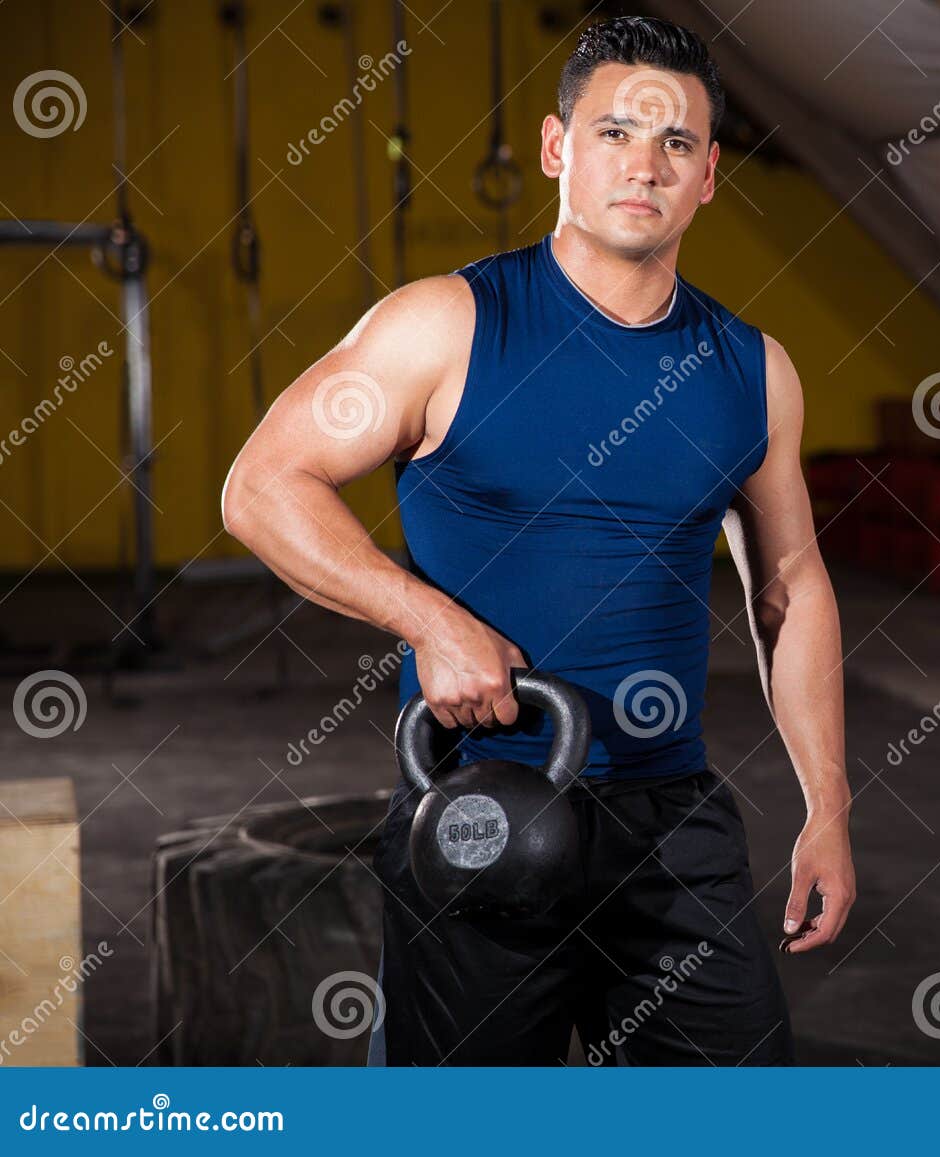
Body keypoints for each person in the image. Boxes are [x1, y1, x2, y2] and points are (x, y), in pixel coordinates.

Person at [221, 14, 853, 1065]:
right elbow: (261, 485)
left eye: (677, 143)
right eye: (615, 132)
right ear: (558, 148)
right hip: (481, 800)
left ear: (706, 180)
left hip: (671, 825)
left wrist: (826, 803)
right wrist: (426, 618)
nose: (643, 165)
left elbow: (790, 586)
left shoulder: (753, 371)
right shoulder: (445, 325)